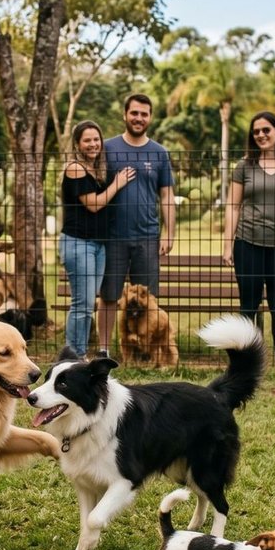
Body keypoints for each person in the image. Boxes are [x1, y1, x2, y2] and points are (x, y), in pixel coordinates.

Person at [222, 111, 275, 374]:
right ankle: (245, 362)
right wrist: (227, 244)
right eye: (256, 131)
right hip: (248, 243)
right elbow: (232, 206)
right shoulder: (244, 166)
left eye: (266, 130)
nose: (261, 135)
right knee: (248, 305)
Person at [97, 93, 176, 355]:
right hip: (112, 237)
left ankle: (148, 352)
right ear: (125, 115)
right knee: (109, 296)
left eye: (144, 114)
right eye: (134, 113)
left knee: (147, 299)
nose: (139, 118)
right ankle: (104, 351)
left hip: (148, 237)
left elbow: (167, 196)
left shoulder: (160, 153)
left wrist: (169, 234)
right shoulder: (107, 148)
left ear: (150, 117)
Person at [60, 121, 135, 357]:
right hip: (78, 243)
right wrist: (117, 184)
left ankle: (79, 354)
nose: (93, 144)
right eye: (87, 140)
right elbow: (93, 204)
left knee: (87, 304)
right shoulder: (75, 168)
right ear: (77, 144)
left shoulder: (96, 169)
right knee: (82, 305)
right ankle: (74, 355)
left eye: (96, 139)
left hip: (97, 245)